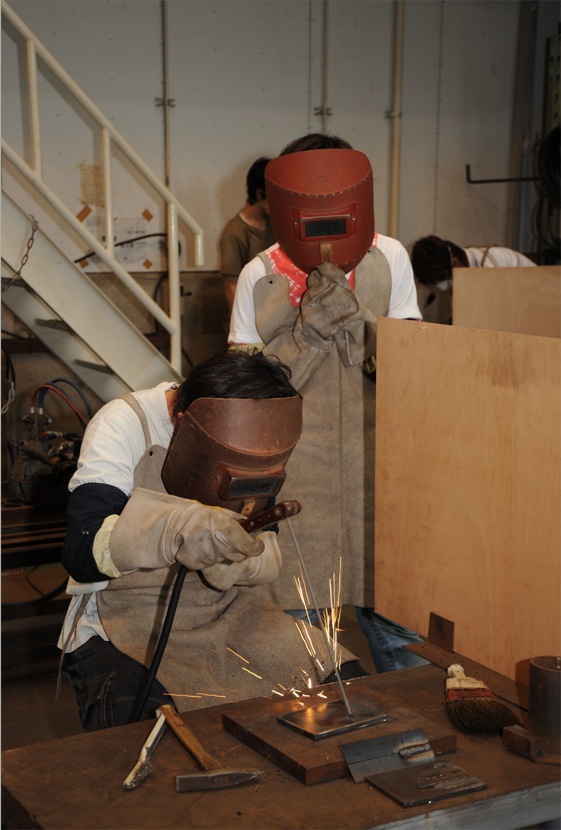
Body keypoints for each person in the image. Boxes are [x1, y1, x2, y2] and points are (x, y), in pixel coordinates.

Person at [58, 350, 363, 731]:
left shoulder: (255, 428)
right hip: (122, 616)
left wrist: (240, 559)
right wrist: (172, 528)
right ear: (181, 421)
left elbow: (267, 548)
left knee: (346, 686)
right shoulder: (124, 422)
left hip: (224, 610)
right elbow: (81, 551)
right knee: (146, 731)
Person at [228, 133, 429, 674]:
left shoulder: (388, 259)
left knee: (402, 628)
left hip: (380, 473)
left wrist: (362, 329)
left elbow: (412, 372)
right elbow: (245, 395)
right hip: (298, 483)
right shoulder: (261, 275)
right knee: (302, 638)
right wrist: (307, 338)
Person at [411, 235, 536, 324]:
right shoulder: (465, 266)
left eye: (443, 278)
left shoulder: (489, 268)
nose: (443, 285)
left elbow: (495, 319)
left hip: (533, 307)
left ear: (455, 262)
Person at [219, 157, 276, 314]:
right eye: (275, 194)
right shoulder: (234, 233)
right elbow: (230, 287)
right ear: (260, 194)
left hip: (275, 313)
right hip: (251, 315)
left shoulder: (274, 223)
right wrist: (242, 325)